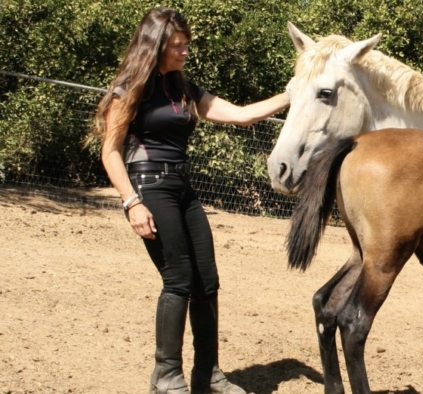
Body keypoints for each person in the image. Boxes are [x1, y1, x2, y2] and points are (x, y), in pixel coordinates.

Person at [90, 7, 289, 394]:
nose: (184, 52)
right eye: (177, 46)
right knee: (178, 280)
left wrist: (293, 94)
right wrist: (132, 202)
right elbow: (110, 151)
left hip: (182, 187)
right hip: (149, 187)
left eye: (186, 45)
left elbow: (243, 115)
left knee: (208, 282)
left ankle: (208, 375)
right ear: (157, 45)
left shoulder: (183, 88)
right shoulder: (131, 88)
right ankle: (166, 377)